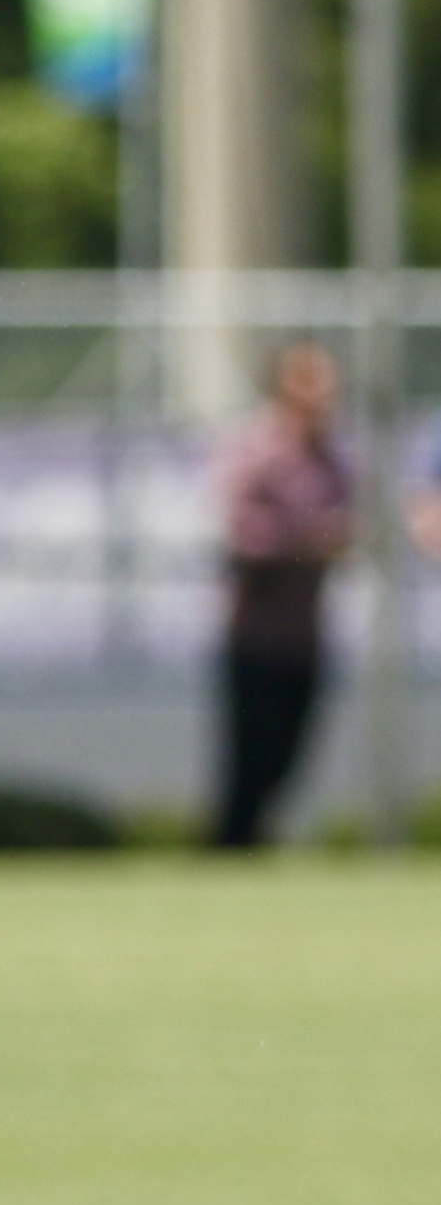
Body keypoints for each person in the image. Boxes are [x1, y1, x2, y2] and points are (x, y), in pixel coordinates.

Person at [211, 340, 356, 850]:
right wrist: (303, 543)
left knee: (290, 760)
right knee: (251, 759)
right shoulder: (258, 449)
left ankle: (252, 845)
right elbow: (237, 532)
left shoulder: (333, 457)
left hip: (305, 634)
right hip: (255, 634)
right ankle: (231, 853)